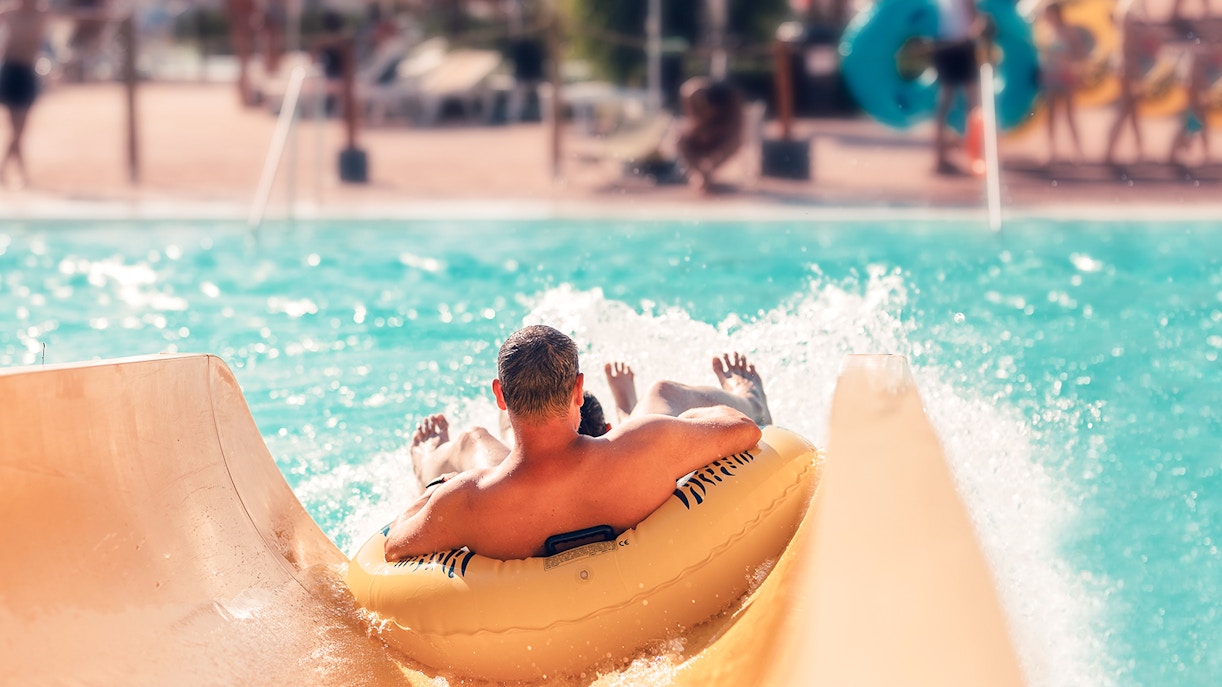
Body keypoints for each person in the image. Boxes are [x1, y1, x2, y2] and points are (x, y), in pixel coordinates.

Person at [385, 325, 769, 562]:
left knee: (472, 439)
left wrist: (435, 494)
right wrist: (680, 426)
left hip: (507, 490)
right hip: (616, 465)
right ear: (579, 390)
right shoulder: (647, 444)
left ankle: (426, 464)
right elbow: (744, 430)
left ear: (499, 396)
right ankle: (749, 395)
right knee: (663, 391)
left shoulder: (466, 500)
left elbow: (394, 546)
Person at [931, 0, 985, 175]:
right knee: (973, 102)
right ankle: (975, 155)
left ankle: (940, 156)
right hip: (961, 46)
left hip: (943, 45)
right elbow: (973, 21)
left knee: (945, 102)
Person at [0, 0, 47, 188]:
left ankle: (6, 170)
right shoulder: (9, 12)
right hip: (11, 71)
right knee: (16, 129)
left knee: (20, 129)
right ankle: (21, 174)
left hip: (27, 71)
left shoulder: (43, 13)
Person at [1037, 0, 1087, 166]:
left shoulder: (1068, 31)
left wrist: (1072, 65)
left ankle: (1078, 151)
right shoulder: (1045, 31)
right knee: (1051, 116)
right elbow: (1042, 56)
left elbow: (1080, 54)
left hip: (1066, 76)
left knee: (1069, 115)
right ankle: (1051, 151)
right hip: (1051, 77)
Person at [676, 77, 744, 194]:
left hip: (724, 135)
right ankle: (702, 175)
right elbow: (689, 126)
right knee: (679, 140)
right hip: (702, 134)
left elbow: (738, 133)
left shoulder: (731, 103)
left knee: (735, 141)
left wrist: (715, 132)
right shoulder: (691, 93)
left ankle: (707, 174)